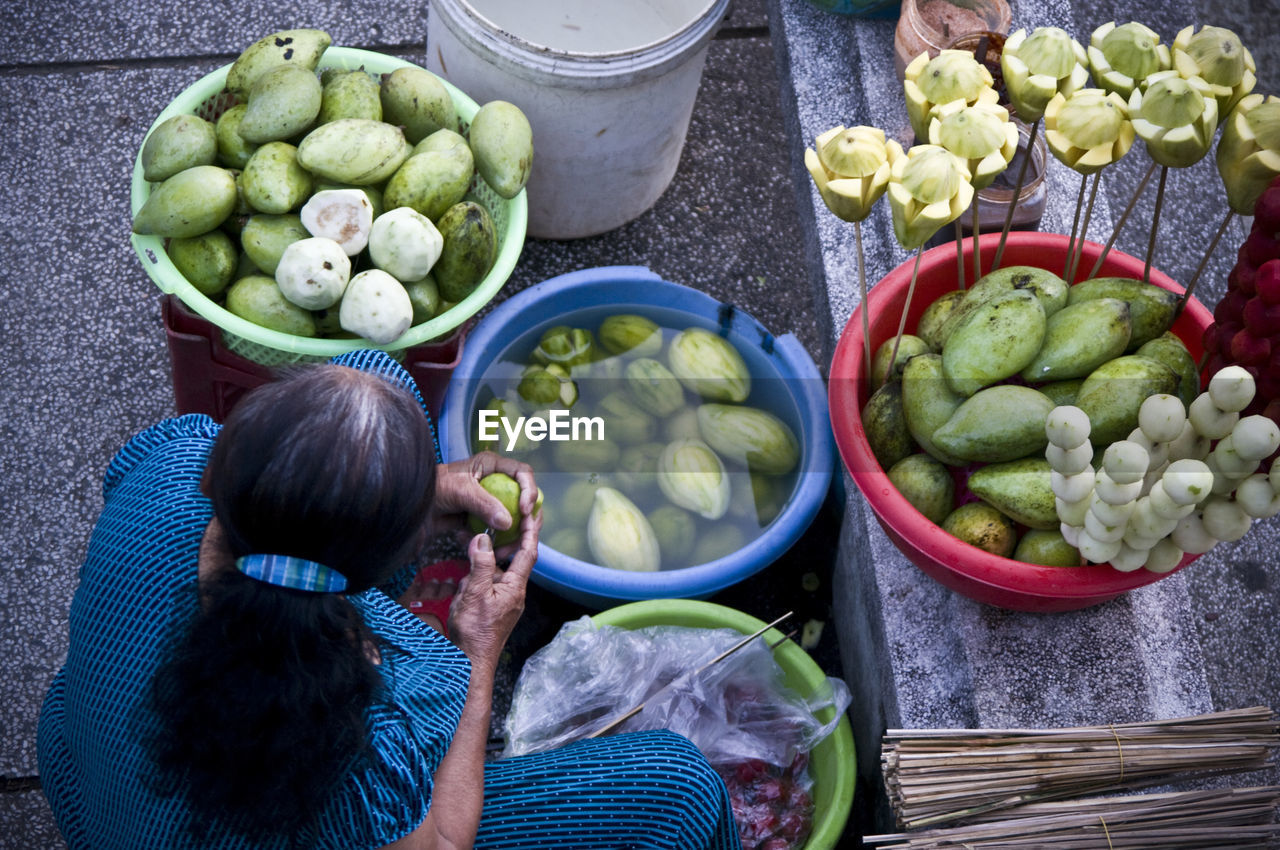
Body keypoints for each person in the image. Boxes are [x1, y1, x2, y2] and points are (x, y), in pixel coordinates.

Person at [37, 350, 743, 850]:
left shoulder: (163, 467)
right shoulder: (387, 710)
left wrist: (401, 490)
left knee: (375, 376)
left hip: (93, 780)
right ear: (397, 565)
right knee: (679, 788)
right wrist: (478, 648)